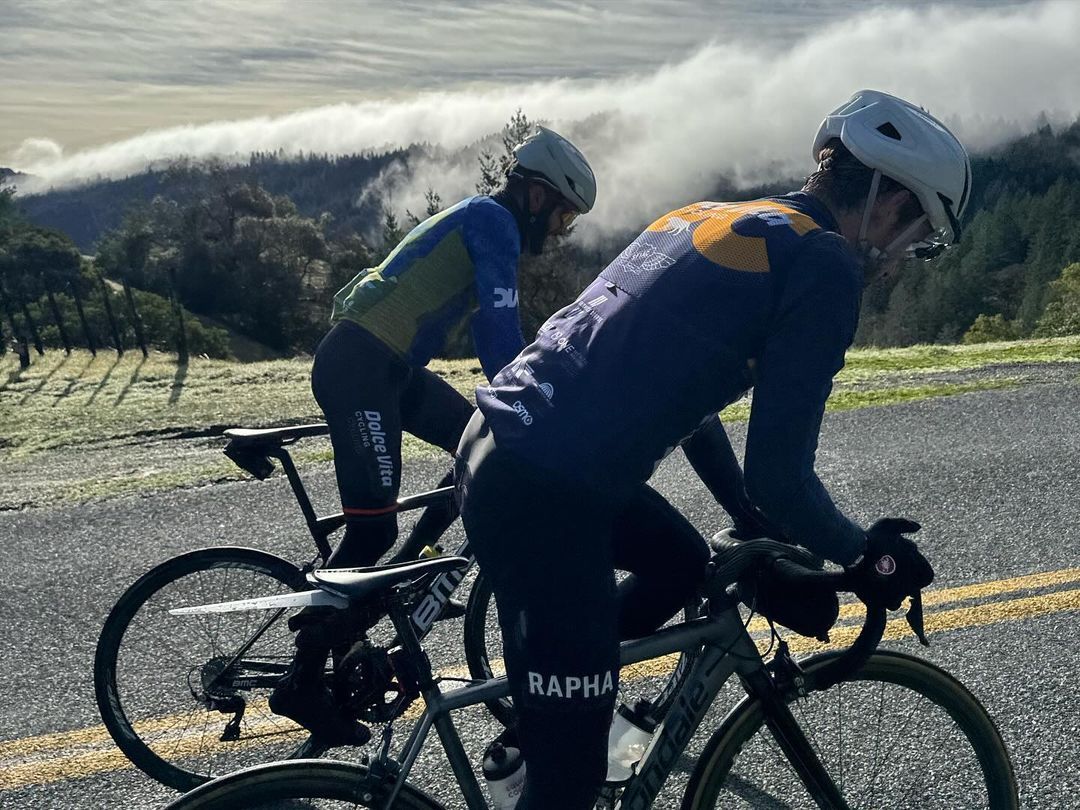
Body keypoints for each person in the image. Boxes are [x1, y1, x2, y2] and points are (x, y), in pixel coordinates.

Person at [455, 89, 969, 809]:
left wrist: (744, 511)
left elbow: (689, 402)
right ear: (889, 204)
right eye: (917, 237)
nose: (902, 259)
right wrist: (866, 554)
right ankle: (556, 731)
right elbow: (782, 475)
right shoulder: (823, 267)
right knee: (565, 787)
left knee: (677, 562)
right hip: (550, 490)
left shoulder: (713, 217)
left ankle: (544, 713)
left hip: (498, 444)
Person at [270, 125, 597, 744]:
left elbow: (486, 334)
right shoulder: (494, 221)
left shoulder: (489, 222)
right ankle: (302, 680)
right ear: (535, 197)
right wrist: (538, 406)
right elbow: (501, 334)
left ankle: (408, 570)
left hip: (393, 370)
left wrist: (525, 401)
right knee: (372, 526)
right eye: (562, 217)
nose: (561, 232)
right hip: (361, 365)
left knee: (480, 443)